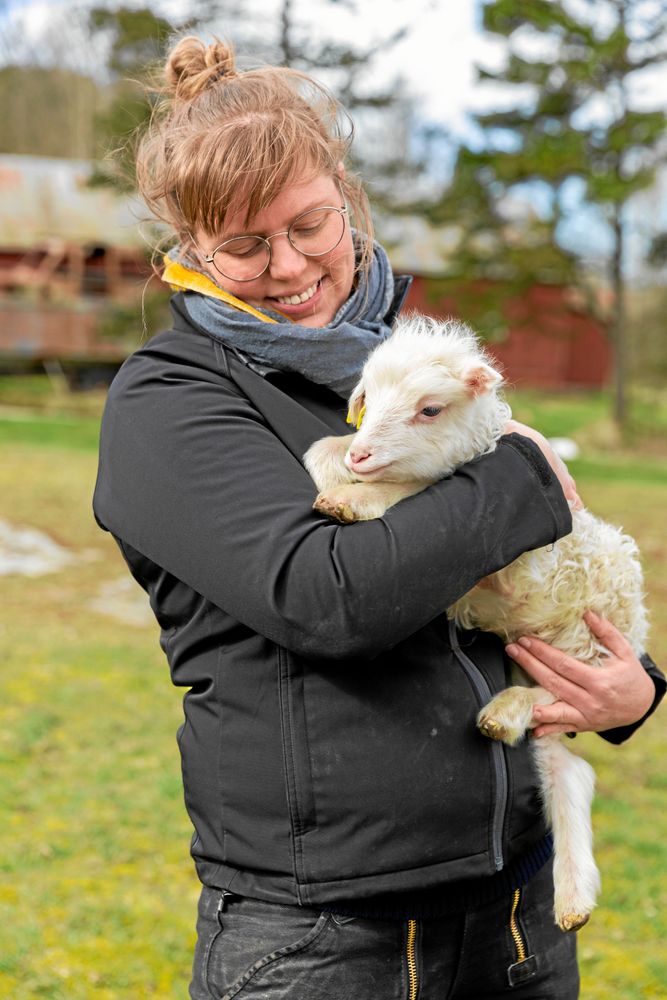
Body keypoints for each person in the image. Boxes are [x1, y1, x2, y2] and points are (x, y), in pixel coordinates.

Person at [93, 35, 665, 1000]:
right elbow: (327, 598)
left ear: (346, 197)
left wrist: (630, 690)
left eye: (308, 224)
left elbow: (525, 576)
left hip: (514, 911)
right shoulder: (169, 400)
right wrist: (521, 472)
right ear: (190, 250)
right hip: (319, 938)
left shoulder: (407, 365)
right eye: (243, 246)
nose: (288, 266)